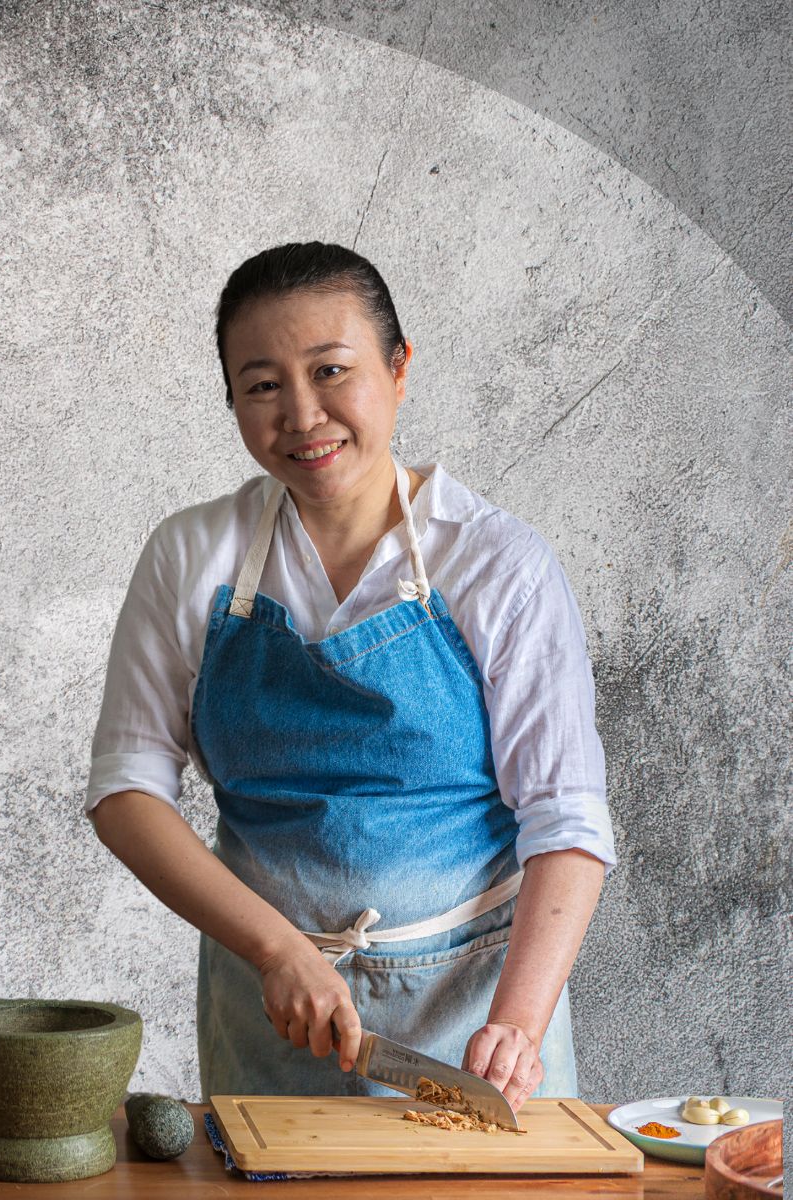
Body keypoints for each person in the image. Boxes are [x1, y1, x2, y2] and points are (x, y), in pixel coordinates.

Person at [86, 241, 616, 1111]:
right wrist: (277, 950)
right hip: (274, 1015)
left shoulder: (497, 564)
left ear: (400, 369)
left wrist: (516, 1028)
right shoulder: (191, 555)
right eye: (262, 386)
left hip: (473, 1020)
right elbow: (126, 791)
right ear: (231, 401)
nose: (302, 415)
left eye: (331, 371)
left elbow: (565, 817)